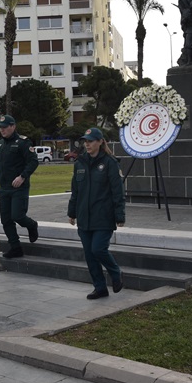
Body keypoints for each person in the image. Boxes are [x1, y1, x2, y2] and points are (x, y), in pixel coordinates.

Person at [67, 128, 126, 300]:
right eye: (85, 141)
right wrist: (72, 212)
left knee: (98, 249)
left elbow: (118, 191)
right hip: (84, 218)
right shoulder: (79, 163)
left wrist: (120, 215)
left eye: (91, 141)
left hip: (103, 216)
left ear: (100, 142)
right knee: (90, 255)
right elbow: (75, 191)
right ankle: (100, 288)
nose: (87, 144)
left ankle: (116, 272)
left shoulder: (110, 163)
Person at [0, 114, 39, 259]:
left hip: (19, 188)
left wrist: (22, 176)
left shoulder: (23, 142)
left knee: (18, 216)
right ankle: (15, 247)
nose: (2, 130)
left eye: (5, 127)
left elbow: (33, 161)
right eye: (0, 127)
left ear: (13, 126)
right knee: (6, 220)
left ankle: (32, 225)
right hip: (4, 188)